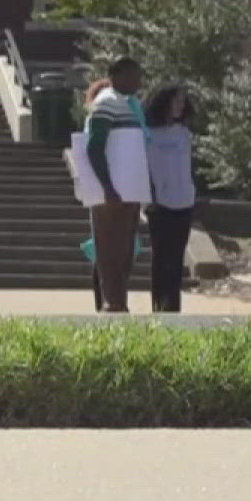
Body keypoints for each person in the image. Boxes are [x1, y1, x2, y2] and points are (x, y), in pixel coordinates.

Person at [83, 58, 147, 313]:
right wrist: (107, 187)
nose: (138, 82)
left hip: (130, 189)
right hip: (111, 192)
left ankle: (120, 301)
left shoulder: (130, 105)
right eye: (133, 76)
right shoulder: (106, 102)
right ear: (115, 76)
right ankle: (112, 302)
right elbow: (95, 146)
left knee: (125, 250)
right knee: (109, 248)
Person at [143, 84, 195, 313]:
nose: (180, 106)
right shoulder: (149, 134)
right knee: (161, 258)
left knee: (176, 259)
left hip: (184, 202)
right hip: (160, 203)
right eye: (176, 101)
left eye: (183, 102)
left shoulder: (184, 133)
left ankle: (173, 307)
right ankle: (159, 306)